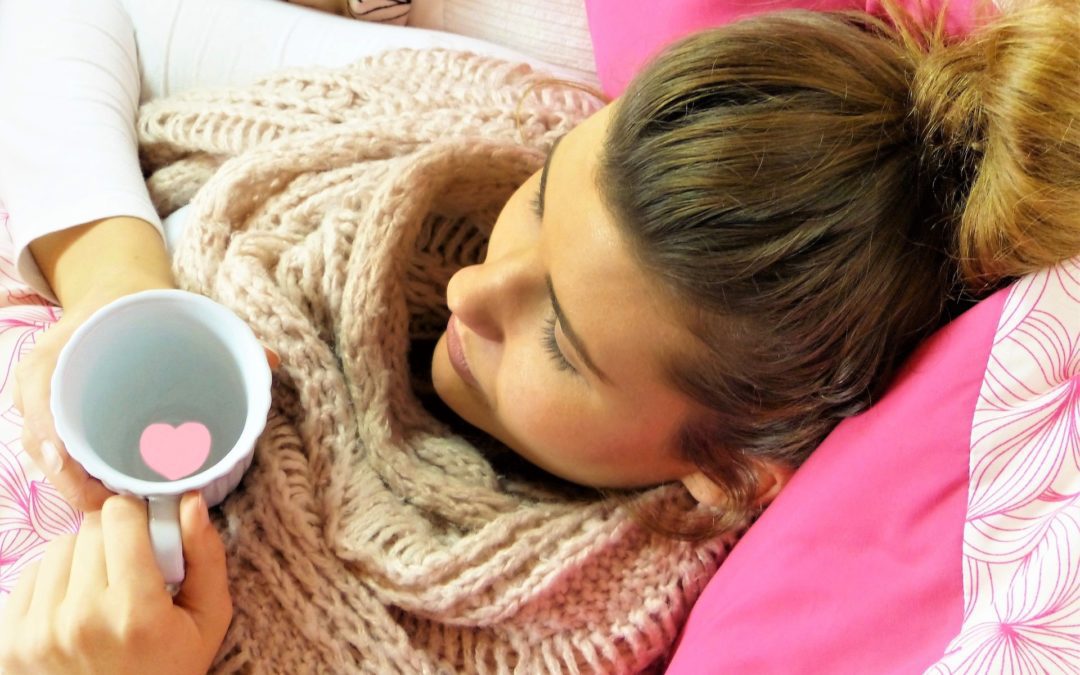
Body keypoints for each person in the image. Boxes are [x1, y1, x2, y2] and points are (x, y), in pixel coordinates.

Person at [1, 0, 1079, 672]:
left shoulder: (577, 644)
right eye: (541, 198)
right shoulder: (466, 121)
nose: (475, 288)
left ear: (731, 476)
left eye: (561, 341)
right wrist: (110, 283)